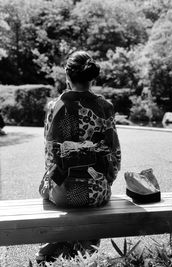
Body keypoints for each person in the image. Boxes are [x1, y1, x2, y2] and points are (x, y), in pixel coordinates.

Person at [36, 51, 121, 264]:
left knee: (47, 189)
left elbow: (50, 156)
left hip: (64, 192)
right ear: (92, 79)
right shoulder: (105, 107)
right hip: (97, 191)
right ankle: (87, 249)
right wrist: (105, 180)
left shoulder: (55, 107)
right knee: (89, 202)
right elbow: (114, 153)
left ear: (67, 77)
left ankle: (51, 248)